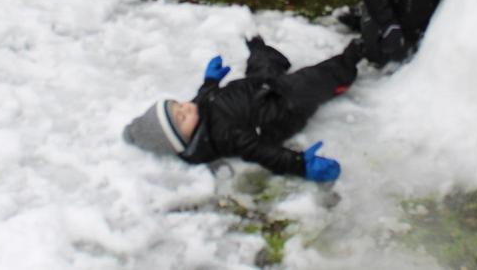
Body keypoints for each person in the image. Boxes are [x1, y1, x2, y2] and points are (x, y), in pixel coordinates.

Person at [123, 36, 361, 181]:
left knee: (262, 62)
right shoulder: (226, 136)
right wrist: (301, 165)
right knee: (313, 80)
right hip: (282, 106)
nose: (186, 108)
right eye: (181, 117)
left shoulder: (197, 112)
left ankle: (264, 52)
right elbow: (263, 152)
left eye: (178, 105)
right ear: (183, 140)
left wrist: (210, 81)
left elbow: (201, 98)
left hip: (256, 87)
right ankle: (349, 62)